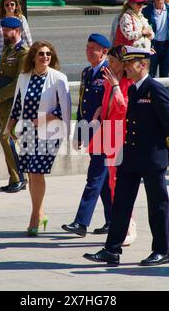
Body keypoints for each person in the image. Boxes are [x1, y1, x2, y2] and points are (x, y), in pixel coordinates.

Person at [83, 46, 169, 266]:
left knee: (158, 205)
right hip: (131, 156)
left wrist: (167, 149)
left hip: (152, 156)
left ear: (142, 64)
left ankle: (162, 250)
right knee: (121, 204)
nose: (124, 67)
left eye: (129, 63)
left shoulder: (155, 89)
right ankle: (112, 249)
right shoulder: (134, 89)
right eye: (124, 63)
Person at [4, 41, 71, 236]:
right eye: (41, 54)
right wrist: (9, 127)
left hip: (50, 132)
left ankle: (34, 215)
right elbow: (18, 104)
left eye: (48, 54)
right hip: (27, 131)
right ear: (33, 56)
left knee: (36, 171)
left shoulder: (59, 78)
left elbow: (65, 107)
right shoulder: (24, 77)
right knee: (31, 173)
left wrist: (46, 118)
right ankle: (40, 212)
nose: (45, 57)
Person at [62, 34, 112, 237]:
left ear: (104, 52)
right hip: (91, 132)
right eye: (88, 47)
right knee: (103, 181)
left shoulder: (110, 73)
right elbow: (83, 105)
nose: (90, 51)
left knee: (95, 176)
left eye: (95, 48)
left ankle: (81, 222)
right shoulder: (87, 73)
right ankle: (113, 220)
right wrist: (78, 133)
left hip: (107, 132)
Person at [89, 45, 137, 245]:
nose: (109, 64)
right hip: (108, 132)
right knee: (111, 182)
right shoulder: (111, 80)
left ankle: (129, 225)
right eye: (109, 61)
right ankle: (119, 225)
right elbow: (107, 102)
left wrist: (116, 86)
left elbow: (126, 108)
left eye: (113, 61)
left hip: (121, 134)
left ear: (123, 63)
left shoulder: (126, 82)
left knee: (119, 182)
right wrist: (100, 110)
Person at [0, 17, 28, 193]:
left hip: (13, 102)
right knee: (6, 139)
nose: (3, 33)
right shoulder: (8, 49)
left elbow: (20, 80)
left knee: (7, 138)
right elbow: (1, 76)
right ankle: (14, 178)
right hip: (4, 102)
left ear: (17, 30)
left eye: (6, 30)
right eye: (3, 30)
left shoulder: (23, 52)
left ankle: (20, 177)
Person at [0, 0, 32, 75]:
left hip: (16, 54)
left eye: (12, 4)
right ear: (3, 6)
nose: (9, 7)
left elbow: (27, 37)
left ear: (16, 6)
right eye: (6, 5)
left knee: (14, 78)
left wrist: (31, 53)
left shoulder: (21, 18)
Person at [142, 0, 169, 78]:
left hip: (166, 45)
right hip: (152, 45)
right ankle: (150, 91)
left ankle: (164, 92)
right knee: (150, 74)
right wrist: (146, 43)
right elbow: (142, 29)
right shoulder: (147, 11)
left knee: (164, 74)